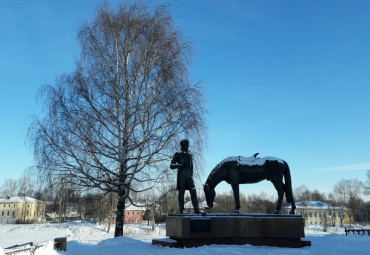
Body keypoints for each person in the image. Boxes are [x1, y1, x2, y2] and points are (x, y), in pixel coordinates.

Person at [170, 139, 201, 214]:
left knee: (193, 191)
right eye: (186, 145)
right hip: (182, 175)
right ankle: (182, 210)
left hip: (189, 175)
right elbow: (171, 165)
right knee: (181, 192)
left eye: (188, 145)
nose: (187, 146)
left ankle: (197, 210)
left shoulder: (190, 155)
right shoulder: (178, 154)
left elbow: (191, 166)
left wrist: (191, 175)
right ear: (182, 145)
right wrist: (180, 165)